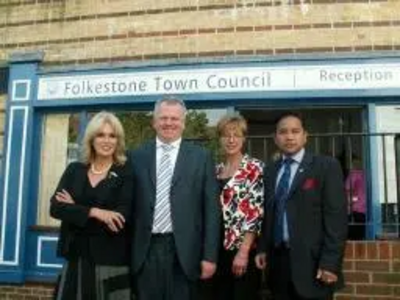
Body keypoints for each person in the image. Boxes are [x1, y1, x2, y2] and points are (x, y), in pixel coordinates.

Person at [130, 97, 221, 300]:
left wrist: (210, 256)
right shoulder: (136, 156)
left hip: (186, 252)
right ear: (154, 122)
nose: (169, 123)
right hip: (146, 251)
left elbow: (212, 211)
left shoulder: (201, 157)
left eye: (174, 118)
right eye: (163, 118)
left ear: (183, 123)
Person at [255, 112, 348, 300]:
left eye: (295, 131)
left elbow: (336, 220)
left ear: (305, 136)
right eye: (283, 132)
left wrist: (330, 263)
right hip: (278, 265)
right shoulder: (270, 171)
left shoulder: (326, 167)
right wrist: (262, 248)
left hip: (314, 266)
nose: (289, 137)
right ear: (275, 138)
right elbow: (269, 214)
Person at [50, 111, 133, 299]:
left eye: (112, 136)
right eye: (101, 135)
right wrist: (95, 212)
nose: (106, 141)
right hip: (75, 258)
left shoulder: (125, 172)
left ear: (118, 141)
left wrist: (75, 210)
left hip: (110, 260)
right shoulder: (74, 170)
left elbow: (120, 219)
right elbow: (55, 208)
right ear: (91, 139)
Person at [202, 114, 264, 300]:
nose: (231, 140)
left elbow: (255, 212)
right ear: (219, 138)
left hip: (240, 249)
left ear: (244, 138)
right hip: (216, 249)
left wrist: (243, 252)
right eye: (226, 135)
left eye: (236, 135)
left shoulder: (254, 168)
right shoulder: (216, 170)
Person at [345, 155, 366, 240]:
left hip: (355, 209)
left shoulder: (354, 174)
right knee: (361, 235)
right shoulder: (366, 174)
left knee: (353, 237)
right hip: (365, 209)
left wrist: (349, 204)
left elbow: (348, 191)